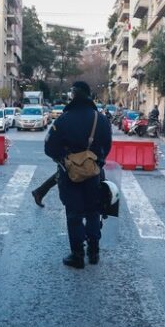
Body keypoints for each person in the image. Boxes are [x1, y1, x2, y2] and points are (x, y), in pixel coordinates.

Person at [44, 81, 112, 269]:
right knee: (93, 211)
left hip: (69, 176)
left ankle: (77, 255)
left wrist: (64, 159)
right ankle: (94, 251)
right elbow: (107, 146)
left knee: (73, 214)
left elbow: (49, 148)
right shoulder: (101, 120)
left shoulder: (63, 120)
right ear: (89, 95)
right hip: (94, 175)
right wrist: (96, 161)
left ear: (74, 95)